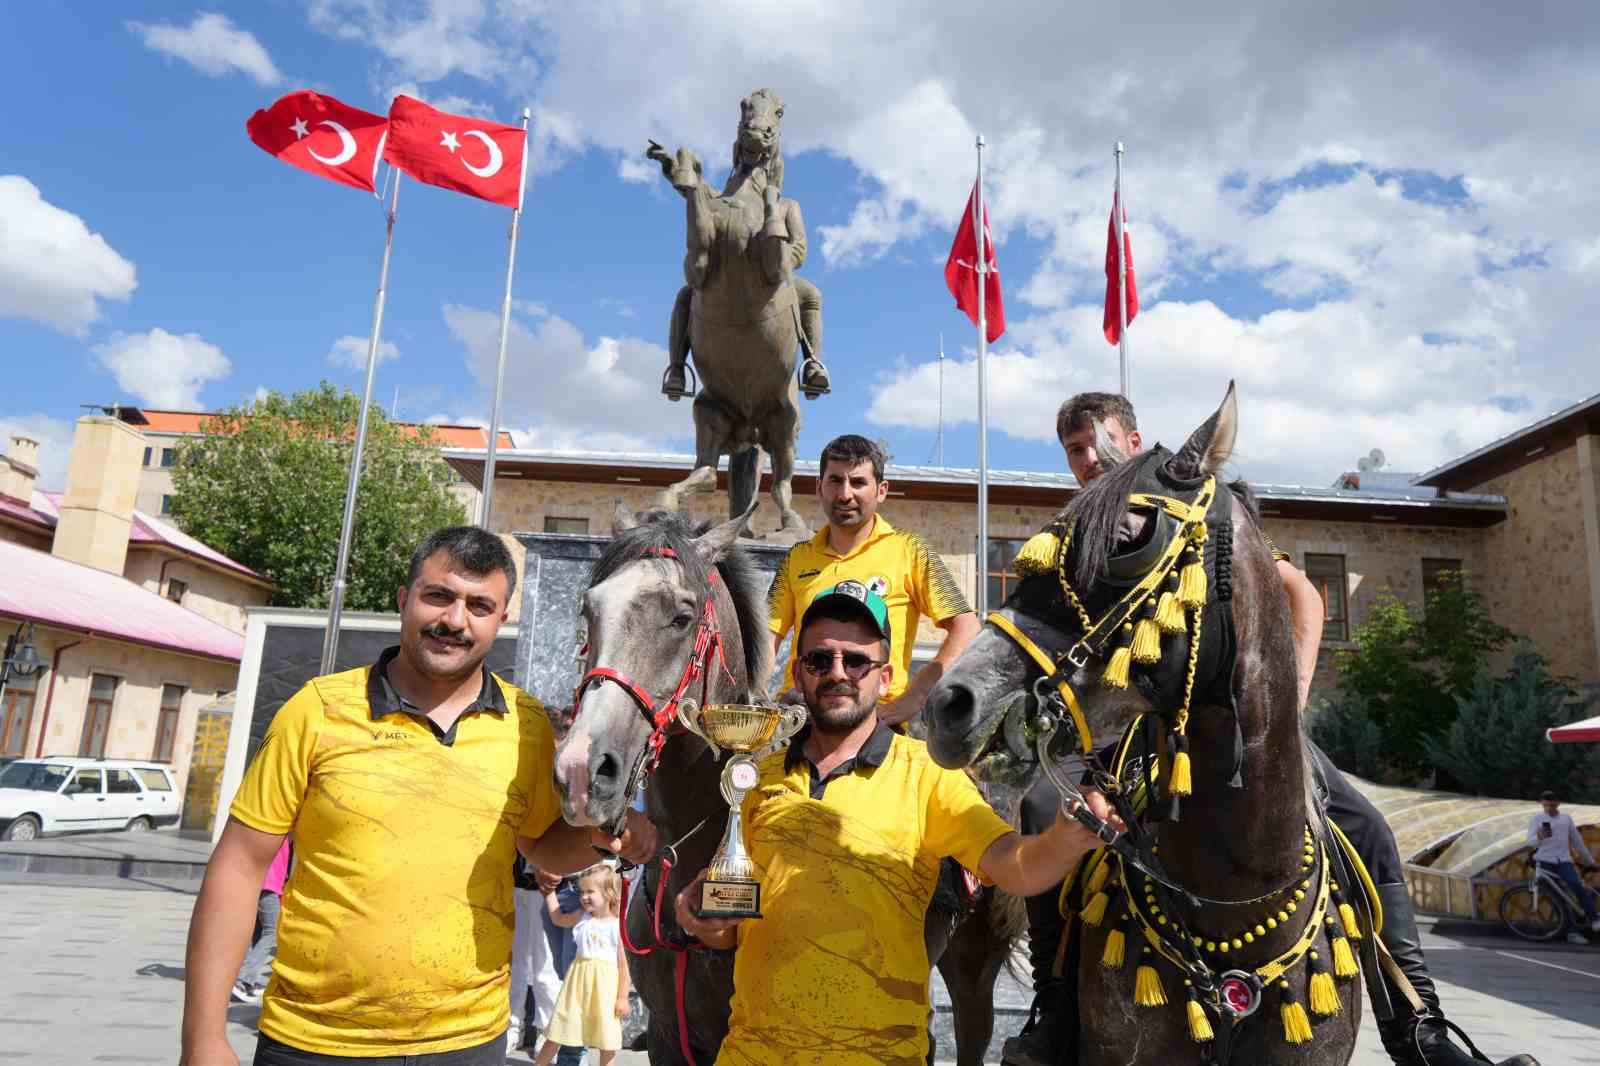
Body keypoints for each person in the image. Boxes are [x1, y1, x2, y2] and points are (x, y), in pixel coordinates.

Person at [1002, 393, 1534, 1066]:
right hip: (1122, 721)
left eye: (1096, 444)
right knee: (1045, 805)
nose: (1086, 460)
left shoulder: (1192, 504)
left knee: (1365, 826)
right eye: (1073, 450)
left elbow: (1302, 593)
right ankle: (1054, 1005)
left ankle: (1417, 1024)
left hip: (1232, 725)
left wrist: (1291, 698)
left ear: (1133, 441)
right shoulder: (1077, 529)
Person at [180, 526, 657, 1066]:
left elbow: (542, 845)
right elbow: (239, 868)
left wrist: (601, 837)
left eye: (480, 605)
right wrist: (203, 1038)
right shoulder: (318, 711)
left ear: (502, 620)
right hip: (314, 1042)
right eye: (439, 596)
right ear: (404, 600)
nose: (455, 621)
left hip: (467, 1043)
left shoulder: (527, 728)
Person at [675, 581, 1104, 1066]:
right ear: (798, 673)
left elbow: (1014, 867)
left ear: (885, 676)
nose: (838, 673)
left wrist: (1067, 838)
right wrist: (703, 920)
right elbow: (730, 928)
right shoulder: (755, 778)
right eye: (820, 660)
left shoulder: (925, 774)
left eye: (856, 661)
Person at [768, 433, 979, 725]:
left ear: (881, 490)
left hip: (878, 723)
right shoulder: (797, 558)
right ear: (819, 487)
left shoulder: (910, 551)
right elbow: (766, 639)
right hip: (801, 719)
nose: (844, 494)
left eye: (858, 482)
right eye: (835, 481)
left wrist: (917, 695)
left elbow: (967, 626)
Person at [532, 865, 629, 1066]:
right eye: (582, 891)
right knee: (558, 1030)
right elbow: (558, 918)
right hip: (576, 985)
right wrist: (549, 893)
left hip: (604, 989)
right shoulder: (582, 917)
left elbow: (623, 966)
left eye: (590, 892)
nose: (584, 897)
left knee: (606, 1040)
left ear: (609, 893)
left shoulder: (616, 926)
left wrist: (622, 997)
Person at [1529, 790, 1599, 942]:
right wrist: (1539, 837)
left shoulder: (1566, 819)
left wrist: (1590, 861)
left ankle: (1594, 918)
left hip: (1563, 860)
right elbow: (1530, 842)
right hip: (1544, 860)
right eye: (1545, 805)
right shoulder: (1537, 819)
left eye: (1551, 805)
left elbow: (1577, 841)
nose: (1548, 808)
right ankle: (1571, 933)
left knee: (1575, 885)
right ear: (1542, 804)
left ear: (1558, 803)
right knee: (1557, 896)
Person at [511, 856, 564, 1052]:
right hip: (513, 882)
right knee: (515, 966)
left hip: (547, 888)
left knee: (545, 968)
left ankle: (547, 1029)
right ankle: (513, 1027)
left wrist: (543, 863)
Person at [229, 839, 291, 1005]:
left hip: (265, 886)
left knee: (259, 934)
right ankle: (242, 979)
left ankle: (249, 980)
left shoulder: (282, 833)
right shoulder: (279, 831)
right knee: (273, 933)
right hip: (267, 887)